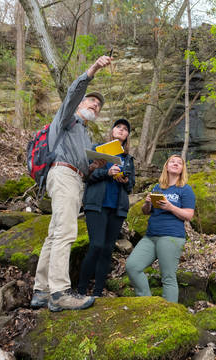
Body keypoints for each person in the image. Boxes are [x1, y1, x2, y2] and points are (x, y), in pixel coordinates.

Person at [30, 55, 113, 312]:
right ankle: (59, 293)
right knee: (66, 232)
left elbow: (84, 169)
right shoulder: (67, 119)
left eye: (99, 105)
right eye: (92, 100)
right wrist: (93, 70)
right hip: (62, 176)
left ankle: (41, 291)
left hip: (74, 178)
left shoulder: (85, 135)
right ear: (80, 104)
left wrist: (94, 167)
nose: (95, 105)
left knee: (54, 234)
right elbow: (71, 94)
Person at [125, 155, 195, 303]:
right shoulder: (158, 187)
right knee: (132, 266)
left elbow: (189, 215)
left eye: (179, 163)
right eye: (172, 161)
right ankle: (147, 303)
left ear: (182, 169)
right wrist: (147, 203)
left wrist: (170, 207)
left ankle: (169, 314)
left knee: (168, 276)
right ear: (166, 166)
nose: (175, 163)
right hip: (151, 236)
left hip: (171, 236)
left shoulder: (185, 190)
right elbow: (146, 211)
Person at [77, 118, 135, 297]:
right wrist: (107, 173)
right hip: (97, 204)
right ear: (112, 131)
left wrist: (125, 180)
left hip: (117, 208)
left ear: (127, 136)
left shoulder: (127, 159)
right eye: (118, 127)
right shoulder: (97, 150)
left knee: (108, 249)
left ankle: (97, 291)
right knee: (96, 245)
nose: (121, 130)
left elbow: (131, 185)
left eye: (125, 129)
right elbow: (86, 175)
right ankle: (80, 290)